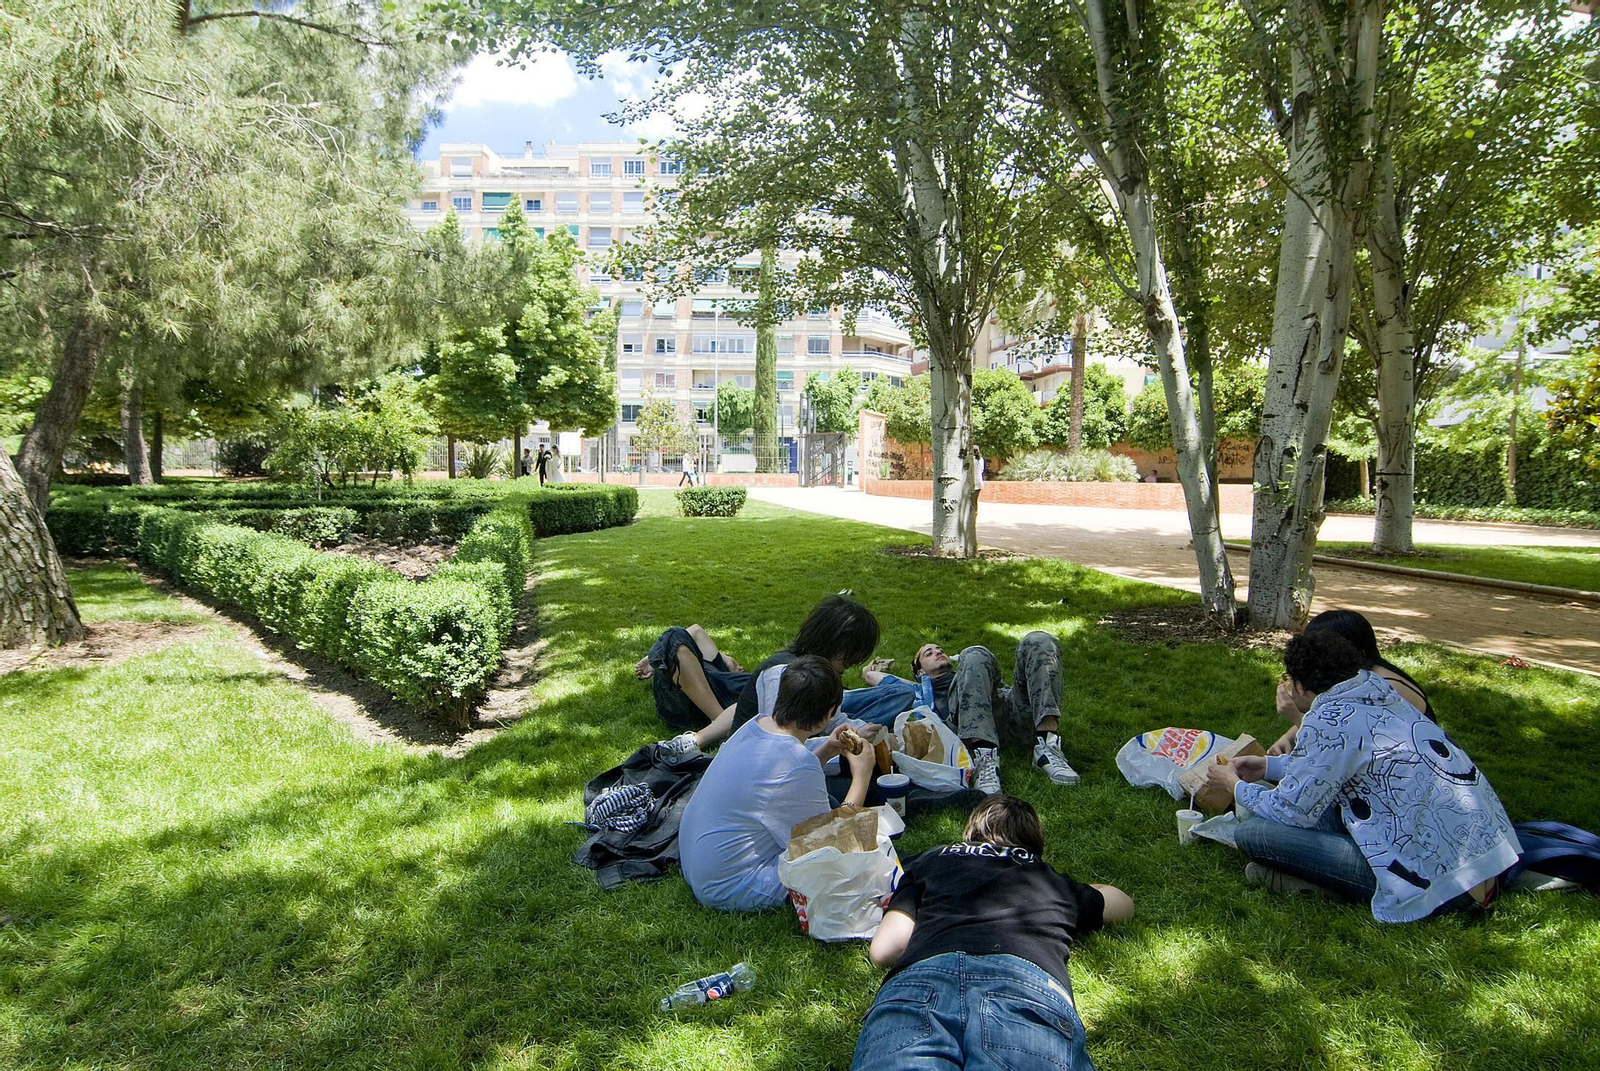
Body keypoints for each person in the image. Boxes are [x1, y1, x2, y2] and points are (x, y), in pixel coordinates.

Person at [1208, 630, 1520, 922]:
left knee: (1253, 833)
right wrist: (1269, 767)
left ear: (1301, 686)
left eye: (1289, 680)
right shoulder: (1374, 690)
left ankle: (1318, 882)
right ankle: (1302, 876)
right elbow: (1334, 766)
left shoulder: (1327, 719)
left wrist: (1234, 786)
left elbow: (1292, 810)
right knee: (1319, 806)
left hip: (1442, 887)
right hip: (1489, 863)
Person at [851, 795, 1134, 1071]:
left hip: (921, 980)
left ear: (970, 833)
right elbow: (1122, 905)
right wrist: (1087, 889)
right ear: (1034, 846)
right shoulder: (1047, 877)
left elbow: (886, 948)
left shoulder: (933, 860)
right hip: (1024, 985)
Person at [678, 655, 877, 911]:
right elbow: (830, 847)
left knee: (829, 805)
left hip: (700, 863)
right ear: (828, 715)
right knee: (845, 856)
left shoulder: (756, 724)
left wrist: (828, 749)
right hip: (730, 885)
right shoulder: (796, 763)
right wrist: (862, 776)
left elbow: (782, 782)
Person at [811, 636, 1079, 794]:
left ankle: (1048, 745)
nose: (937, 651)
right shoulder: (915, 689)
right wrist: (870, 669)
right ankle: (985, 757)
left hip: (1008, 715)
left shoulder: (970, 671)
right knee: (975, 653)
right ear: (919, 671)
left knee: (1038, 641)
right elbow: (874, 677)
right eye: (928, 653)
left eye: (939, 649)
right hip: (968, 730)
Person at [659, 593, 881, 757]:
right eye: (850, 655)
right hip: (757, 763)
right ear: (834, 644)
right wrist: (836, 751)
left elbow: (834, 720)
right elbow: (778, 748)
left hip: (792, 756)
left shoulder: (825, 673)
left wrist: (859, 730)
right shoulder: (783, 675)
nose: (851, 664)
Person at [1267, 609, 1434, 756]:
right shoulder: (1361, 676)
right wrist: (1288, 737)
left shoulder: (1377, 689)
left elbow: (1346, 743)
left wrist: (1296, 716)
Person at [635, 624, 749, 731]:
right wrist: (725, 658)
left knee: (675, 636)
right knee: (695, 631)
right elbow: (695, 631)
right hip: (705, 680)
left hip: (698, 700)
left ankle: (721, 722)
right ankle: (662, 657)